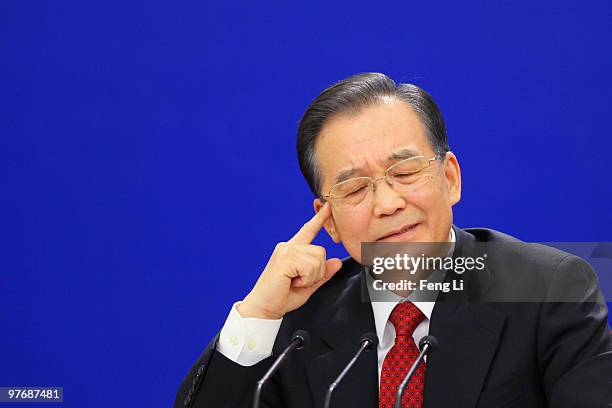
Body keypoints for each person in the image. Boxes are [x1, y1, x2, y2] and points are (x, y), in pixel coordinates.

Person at [174, 72, 612, 408]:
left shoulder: (548, 290)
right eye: (355, 189)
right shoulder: (298, 323)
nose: (386, 204)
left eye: (404, 173)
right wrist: (257, 315)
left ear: (451, 178)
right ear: (329, 222)